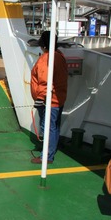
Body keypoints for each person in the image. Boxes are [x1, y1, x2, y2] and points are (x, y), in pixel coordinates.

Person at [30, 30, 68, 164]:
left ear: (44, 46)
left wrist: (40, 98)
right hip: (58, 98)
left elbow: (45, 81)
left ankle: (46, 156)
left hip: (48, 101)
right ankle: (50, 151)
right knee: (54, 127)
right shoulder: (60, 56)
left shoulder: (46, 59)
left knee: (48, 128)